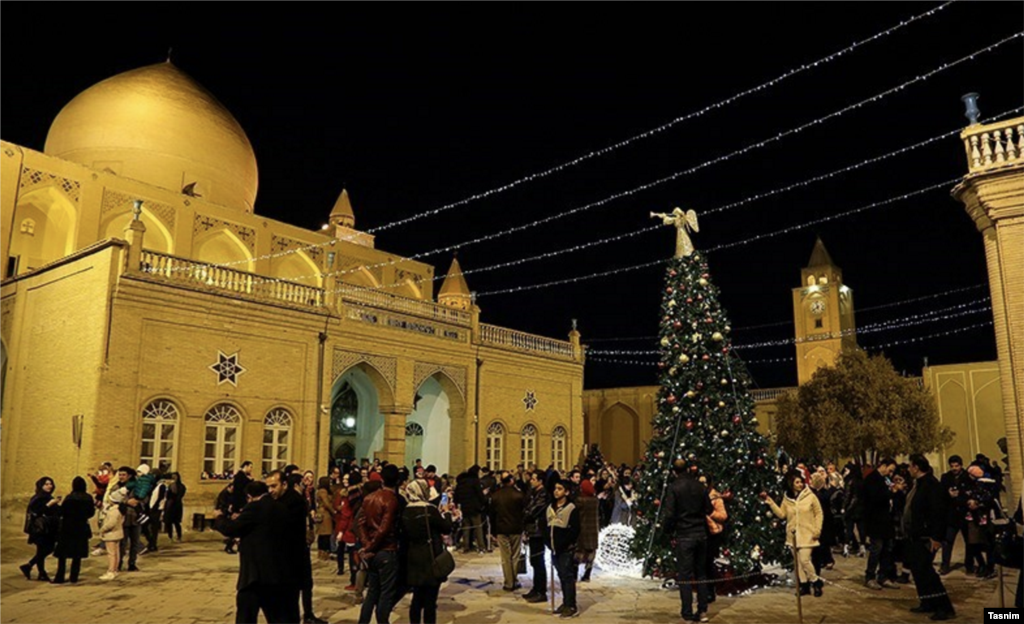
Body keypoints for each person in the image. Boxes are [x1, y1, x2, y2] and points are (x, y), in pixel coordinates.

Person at [215, 480, 298, 624]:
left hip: (255, 576)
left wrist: (219, 518)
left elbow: (232, 529)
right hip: (277, 574)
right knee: (277, 617)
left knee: (246, 616)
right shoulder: (281, 508)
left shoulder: (254, 507)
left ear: (250, 496)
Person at [904, 454, 955, 621]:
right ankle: (927, 602)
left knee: (927, 572)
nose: (908, 469)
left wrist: (936, 537)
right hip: (915, 535)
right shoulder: (918, 485)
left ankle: (944, 607)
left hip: (926, 537)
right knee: (918, 570)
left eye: (910, 466)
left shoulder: (931, 485)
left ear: (916, 467)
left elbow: (938, 513)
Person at [663, 462, 713, 622]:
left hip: (684, 535)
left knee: (684, 576)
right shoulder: (700, 486)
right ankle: (703, 611)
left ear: (674, 471)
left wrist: (667, 531)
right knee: (701, 573)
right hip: (701, 534)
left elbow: (670, 514)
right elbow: (709, 509)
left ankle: (687, 613)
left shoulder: (674, 487)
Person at [763, 469, 824, 598]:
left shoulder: (811, 496)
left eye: (801, 482)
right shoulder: (787, 499)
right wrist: (771, 503)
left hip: (808, 534)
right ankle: (804, 585)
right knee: (798, 564)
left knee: (805, 560)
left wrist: (817, 529)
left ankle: (816, 582)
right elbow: (782, 514)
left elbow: (819, 514)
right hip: (793, 535)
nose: (800, 484)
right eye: (797, 482)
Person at [402, 479, 454, 624]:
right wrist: (447, 512)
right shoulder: (429, 509)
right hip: (430, 556)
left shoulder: (406, 510)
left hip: (413, 556)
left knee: (417, 598)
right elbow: (446, 528)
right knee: (430, 599)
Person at [358, 463, 403, 624]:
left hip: (373, 551)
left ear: (382, 479)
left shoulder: (369, 498)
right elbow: (384, 529)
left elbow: (361, 522)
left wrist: (366, 545)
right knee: (386, 594)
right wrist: (370, 546)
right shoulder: (392, 500)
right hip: (386, 550)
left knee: (372, 592)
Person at [545, 479, 581, 618]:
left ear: (566, 492)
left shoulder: (571, 508)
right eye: (555, 488)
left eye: (559, 489)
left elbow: (575, 529)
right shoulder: (550, 507)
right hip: (554, 548)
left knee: (567, 576)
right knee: (561, 576)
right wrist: (548, 542)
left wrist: (565, 543)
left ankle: (571, 605)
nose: (556, 491)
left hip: (565, 548)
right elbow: (546, 526)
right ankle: (566, 602)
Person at [863, 458, 898, 589]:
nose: (891, 473)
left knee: (887, 549)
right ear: (883, 466)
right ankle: (870, 576)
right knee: (876, 549)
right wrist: (891, 493)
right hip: (875, 521)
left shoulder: (885, 480)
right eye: (890, 470)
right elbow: (874, 498)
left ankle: (883, 576)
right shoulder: (871, 479)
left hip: (886, 521)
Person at [53, 476, 95, 584]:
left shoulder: (69, 498)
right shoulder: (88, 498)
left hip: (67, 528)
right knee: (77, 555)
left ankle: (60, 576)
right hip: (81, 527)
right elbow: (91, 513)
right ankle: (74, 577)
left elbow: (62, 512)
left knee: (63, 555)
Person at [20, 476, 61, 581]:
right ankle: (37, 570)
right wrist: (49, 504)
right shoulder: (38, 498)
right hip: (40, 529)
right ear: (41, 485)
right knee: (44, 549)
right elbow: (36, 512)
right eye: (46, 484)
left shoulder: (49, 497)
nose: (49, 486)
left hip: (48, 529)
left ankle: (33, 568)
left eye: (50, 484)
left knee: (45, 550)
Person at [490, 472, 526, 591]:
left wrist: (493, 531)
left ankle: (508, 582)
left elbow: (492, 515)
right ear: (511, 481)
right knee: (515, 556)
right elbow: (523, 513)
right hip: (516, 528)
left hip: (501, 528)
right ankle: (514, 580)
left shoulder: (495, 496)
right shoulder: (519, 495)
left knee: (505, 557)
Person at [938, 455, 970, 575]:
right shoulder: (946, 477)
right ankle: (945, 565)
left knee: (969, 541)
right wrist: (948, 494)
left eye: (956, 466)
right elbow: (941, 493)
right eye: (952, 466)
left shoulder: (967, 477)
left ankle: (969, 565)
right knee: (947, 541)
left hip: (964, 513)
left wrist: (960, 495)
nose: (954, 468)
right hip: (951, 514)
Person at [522, 469, 551, 604]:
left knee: (538, 561)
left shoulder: (543, 494)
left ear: (540, 481)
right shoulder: (533, 493)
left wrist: (525, 514)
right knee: (534, 561)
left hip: (538, 531)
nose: (531, 481)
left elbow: (533, 511)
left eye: (534, 479)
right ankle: (536, 588)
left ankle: (541, 591)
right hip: (533, 530)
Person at [701, 475, 728, 602]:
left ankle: (710, 591)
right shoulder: (697, 495)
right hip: (700, 532)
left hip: (712, 533)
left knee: (708, 563)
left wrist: (710, 513)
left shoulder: (715, 497)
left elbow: (723, 516)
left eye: (704, 482)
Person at [455, 466, 487, 554]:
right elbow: (480, 494)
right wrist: (484, 502)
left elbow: (456, 496)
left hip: (464, 508)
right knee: (478, 527)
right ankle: (481, 547)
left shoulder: (461, 482)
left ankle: (466, 546)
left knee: (466, 527)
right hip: (475, 508)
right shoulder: (475, 481)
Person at [98, 486, 126, 581]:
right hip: (117, 533)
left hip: (111, 534)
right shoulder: (119, 510)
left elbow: (111, 523)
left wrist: (103, 529)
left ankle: (111, 571)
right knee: (116, 553)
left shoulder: (114, 511)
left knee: (111, 554)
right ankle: (115, 569)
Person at [575, 479, 600, 583]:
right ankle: (587, 575)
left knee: (578, 553)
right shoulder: (595, 500)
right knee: (591, 553)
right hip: (593, 530)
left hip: (582, 529)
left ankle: (574, 574)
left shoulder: (580, 501)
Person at [315, 476, 337, 561]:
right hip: (324, 514)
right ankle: (323, 553)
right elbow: (326, 503)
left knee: (324, 535)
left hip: (325, 513)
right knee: (324, 534)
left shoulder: (324, 491)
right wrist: (333, 511)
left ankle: (323, 553)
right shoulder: (323, 491)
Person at [163, 472, 187, 542]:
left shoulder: (181, 486)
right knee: (169, 522)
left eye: (175, 477)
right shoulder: (170, 486)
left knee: (176, 522)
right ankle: (170, 537)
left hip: (176, 505)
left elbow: (180, 495)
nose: (174, 479)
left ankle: (179, 536)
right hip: (170, 505)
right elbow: (167, 496)